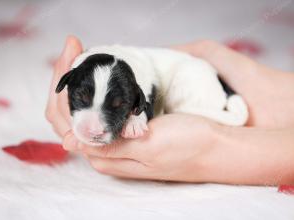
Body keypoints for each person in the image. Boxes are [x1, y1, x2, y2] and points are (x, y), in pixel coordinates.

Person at [46, 36, 294, 185]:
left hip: (196, 80)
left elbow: (147, 94)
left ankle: (224, 117)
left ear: (136, 98)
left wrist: (139, 115)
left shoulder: (139, 83)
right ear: (66, 83)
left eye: (117, 105)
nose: (94, 128)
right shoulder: (86, 68)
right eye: (81, 98)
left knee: (180, 88)